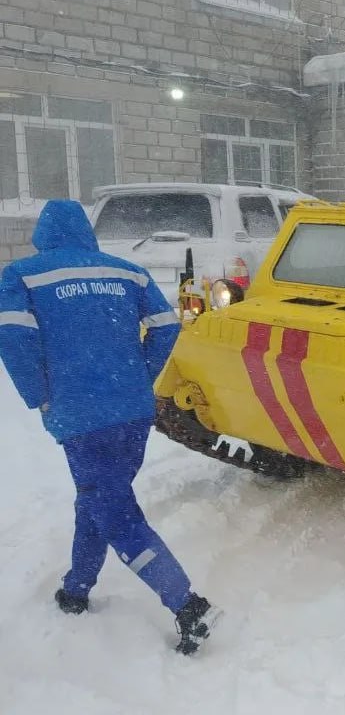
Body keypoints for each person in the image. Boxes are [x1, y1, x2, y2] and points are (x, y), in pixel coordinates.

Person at [0, 200, 220, 655]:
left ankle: (187, 605)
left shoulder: (23, 275)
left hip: (83, 417)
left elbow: (13, 337)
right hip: (133, 411)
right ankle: (77, 588)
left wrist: (40, 394)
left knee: (114, 511)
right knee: (101, 497)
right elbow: (166, 326)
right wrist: (140, 375)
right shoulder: (127, 272)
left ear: (44, 234)